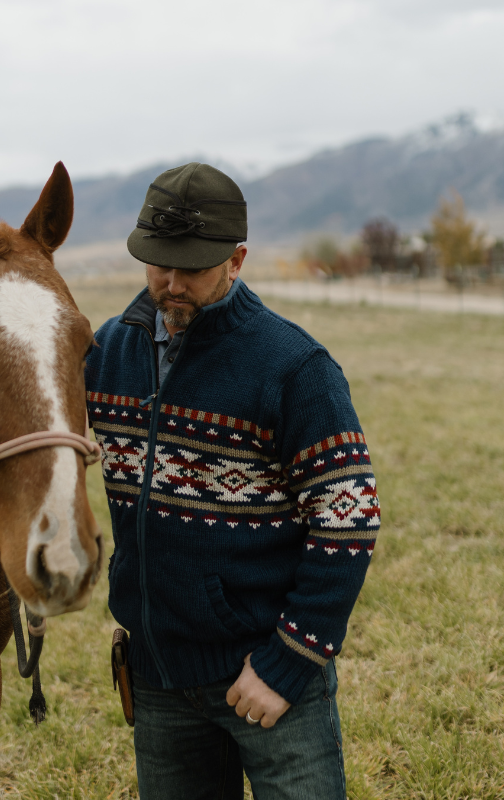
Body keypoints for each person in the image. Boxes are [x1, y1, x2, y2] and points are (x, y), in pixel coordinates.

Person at [84, 162, 379, 799]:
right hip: (158, 677)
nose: (170, 282)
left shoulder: (295, 369)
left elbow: (348, 519)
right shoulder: (105, 355)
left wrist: (289, 662)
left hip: (269, 674)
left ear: (237, 259)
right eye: (158, 262)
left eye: (190, 266)